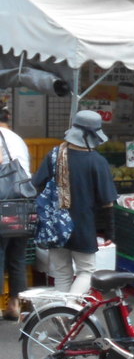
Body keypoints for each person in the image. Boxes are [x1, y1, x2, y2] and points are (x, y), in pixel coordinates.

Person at [31, 110, 117, 295]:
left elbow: (37, 184)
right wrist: (110, 231)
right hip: (82, 226)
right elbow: (107, 202)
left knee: (62, 273)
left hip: (55, 225)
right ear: (93, 135)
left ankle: (61, 311)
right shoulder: (97, 161)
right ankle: (70, 306)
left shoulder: (55, 155)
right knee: (86, 271)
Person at [0, 108, 31, 319]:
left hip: (3, 203)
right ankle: (14, 305)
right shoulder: (18, 139)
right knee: (17, 255)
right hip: (22, 204)